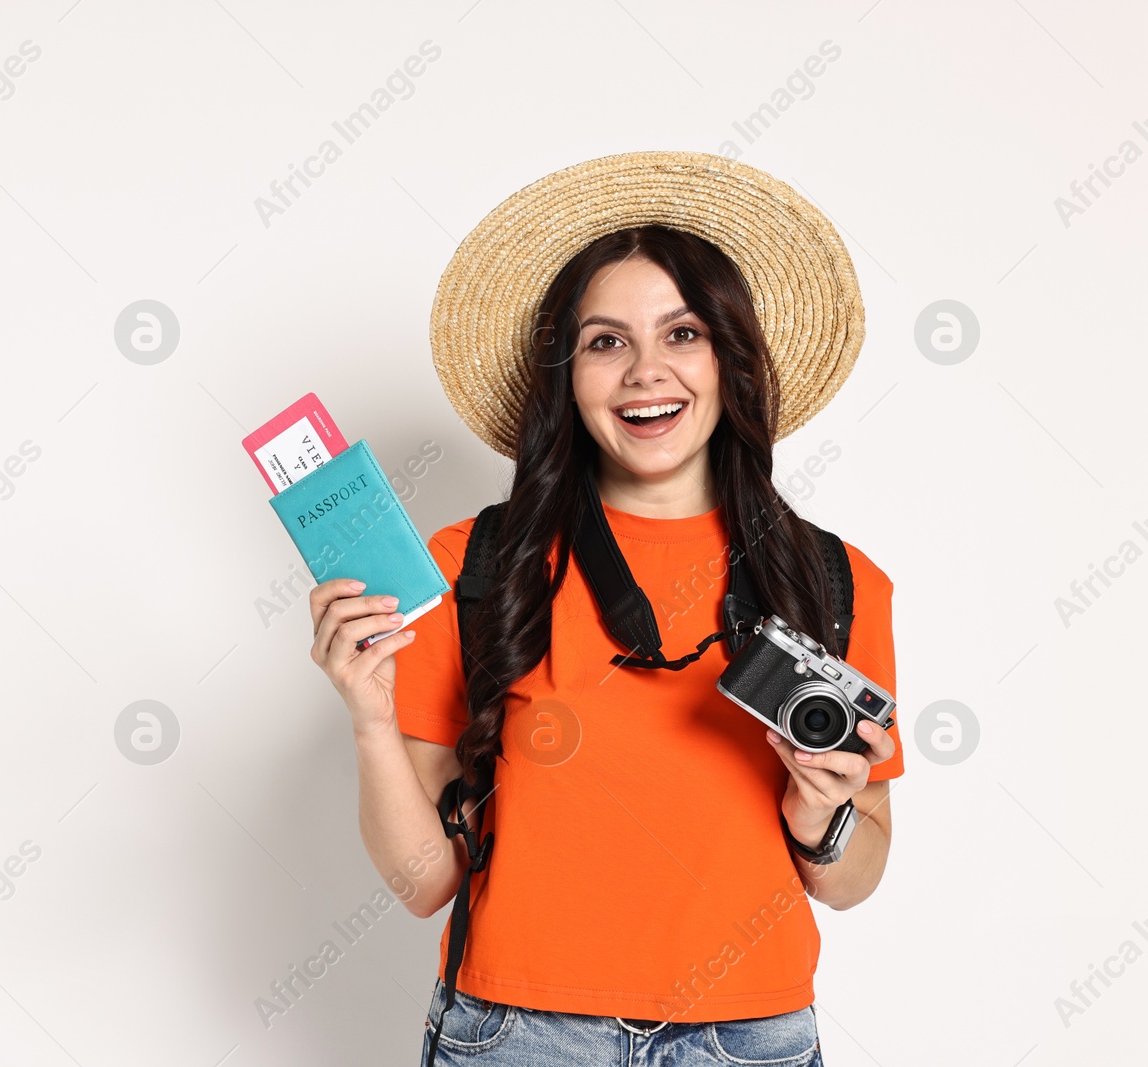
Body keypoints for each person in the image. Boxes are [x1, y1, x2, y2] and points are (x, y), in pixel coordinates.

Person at [308, 152, 903, 1066]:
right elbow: (425, 883)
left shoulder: (831, 576)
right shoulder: (474, 565)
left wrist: (821, 809)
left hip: (750, 1037)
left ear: (731, 358)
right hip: (513, 1034)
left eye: (683, 333)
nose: (644, 372)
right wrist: (369, 718)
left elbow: (855, 879)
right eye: (605, 340)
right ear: (568, 374)